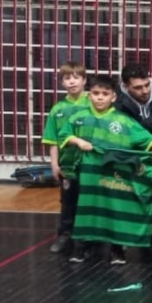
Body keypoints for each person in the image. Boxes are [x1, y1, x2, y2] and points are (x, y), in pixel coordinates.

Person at [59, 75, 152, 265]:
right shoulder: (78, 117)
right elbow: (64, 135)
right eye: (96, 93)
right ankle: (81, 247)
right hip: (88, 178)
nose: (100, 97)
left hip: (113, 179)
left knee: (114, 210)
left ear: (113, 97)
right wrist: (78, 141)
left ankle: (117, 250)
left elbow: (146, 139)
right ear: (89, 95)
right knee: (86, 211)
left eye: (105, 94)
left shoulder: (123, 121)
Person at [42, 62, 90, 254]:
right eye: (67, 78)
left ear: (84, 80)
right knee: (68, 201)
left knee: (89, 201)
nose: (72, 81)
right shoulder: (58, 109)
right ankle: (65, 234)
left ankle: (89, 239)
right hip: (68, 165)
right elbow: (52, 139)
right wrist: (54, 164)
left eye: (76, 77)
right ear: (62, 83)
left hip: (91, 164)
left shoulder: (93, 103)